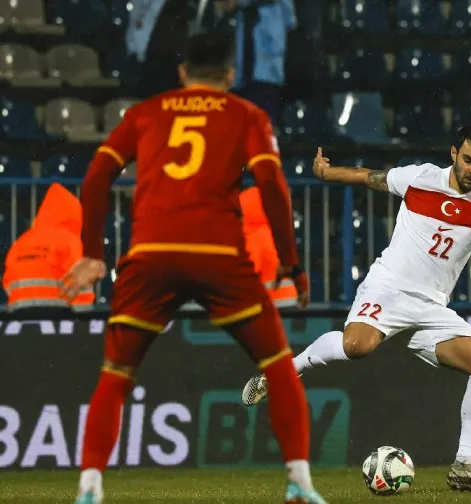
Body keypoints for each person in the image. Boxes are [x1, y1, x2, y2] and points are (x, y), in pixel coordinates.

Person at [240, 126, 471, 494]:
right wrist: (328, 173)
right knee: (358, 347)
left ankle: (465, 467)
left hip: (431, 306)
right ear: (453, 154)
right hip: (388, 288)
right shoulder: (419, 178)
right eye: (469, 160)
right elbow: (369, 176)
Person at [62, 32, 325, 504]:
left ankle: (89, 488)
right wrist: (291, 262)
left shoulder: (144, 113)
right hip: (218, 256)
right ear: (230, 75)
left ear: (182, 73)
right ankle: (300, 484)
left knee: (116, 373)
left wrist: (93, 253)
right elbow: (272, 184)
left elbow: (97, 175)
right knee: (278, 365)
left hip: (150, 255)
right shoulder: (247, 115)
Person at [3, 183, 93, 317]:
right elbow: (81, 284)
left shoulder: (22, 240)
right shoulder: (71, 241)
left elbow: (8, 281)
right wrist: (84, 323)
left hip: (19, 317)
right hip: (56, 318)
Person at [241, 186, 300, 308]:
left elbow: (248, 271)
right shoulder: (275, 234)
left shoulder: (254, 236)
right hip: (289, 299)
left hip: (272, 302)